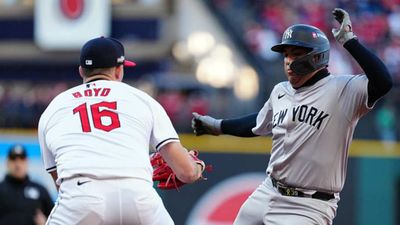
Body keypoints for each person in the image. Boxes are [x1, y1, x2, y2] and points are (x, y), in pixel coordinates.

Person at [192, 8, 393, 225]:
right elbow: (257, 123)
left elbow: (383, 82)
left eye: (296, 54)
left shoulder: (343, 90)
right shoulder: (281, 91)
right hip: (268, 191)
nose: (288, 61)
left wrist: (349, 41)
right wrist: (216, 126)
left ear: (316, 57)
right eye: (286, 54)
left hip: (309, 205)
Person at [38, 37, 206, 225]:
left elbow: (59, 181)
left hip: (82, 196)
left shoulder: (54, 108)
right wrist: (198, 167)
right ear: (119, 70)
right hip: (138, 195)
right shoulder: (143, 99)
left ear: (81, 71)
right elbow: (187, 173)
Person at [0, 144, 54, 225]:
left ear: (27, 162)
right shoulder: (1, 190)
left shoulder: (40, 190)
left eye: (22, 159)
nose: (18, 164)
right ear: (7, 162)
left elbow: (55, 218)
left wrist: (46, 223)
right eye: (13, 159)